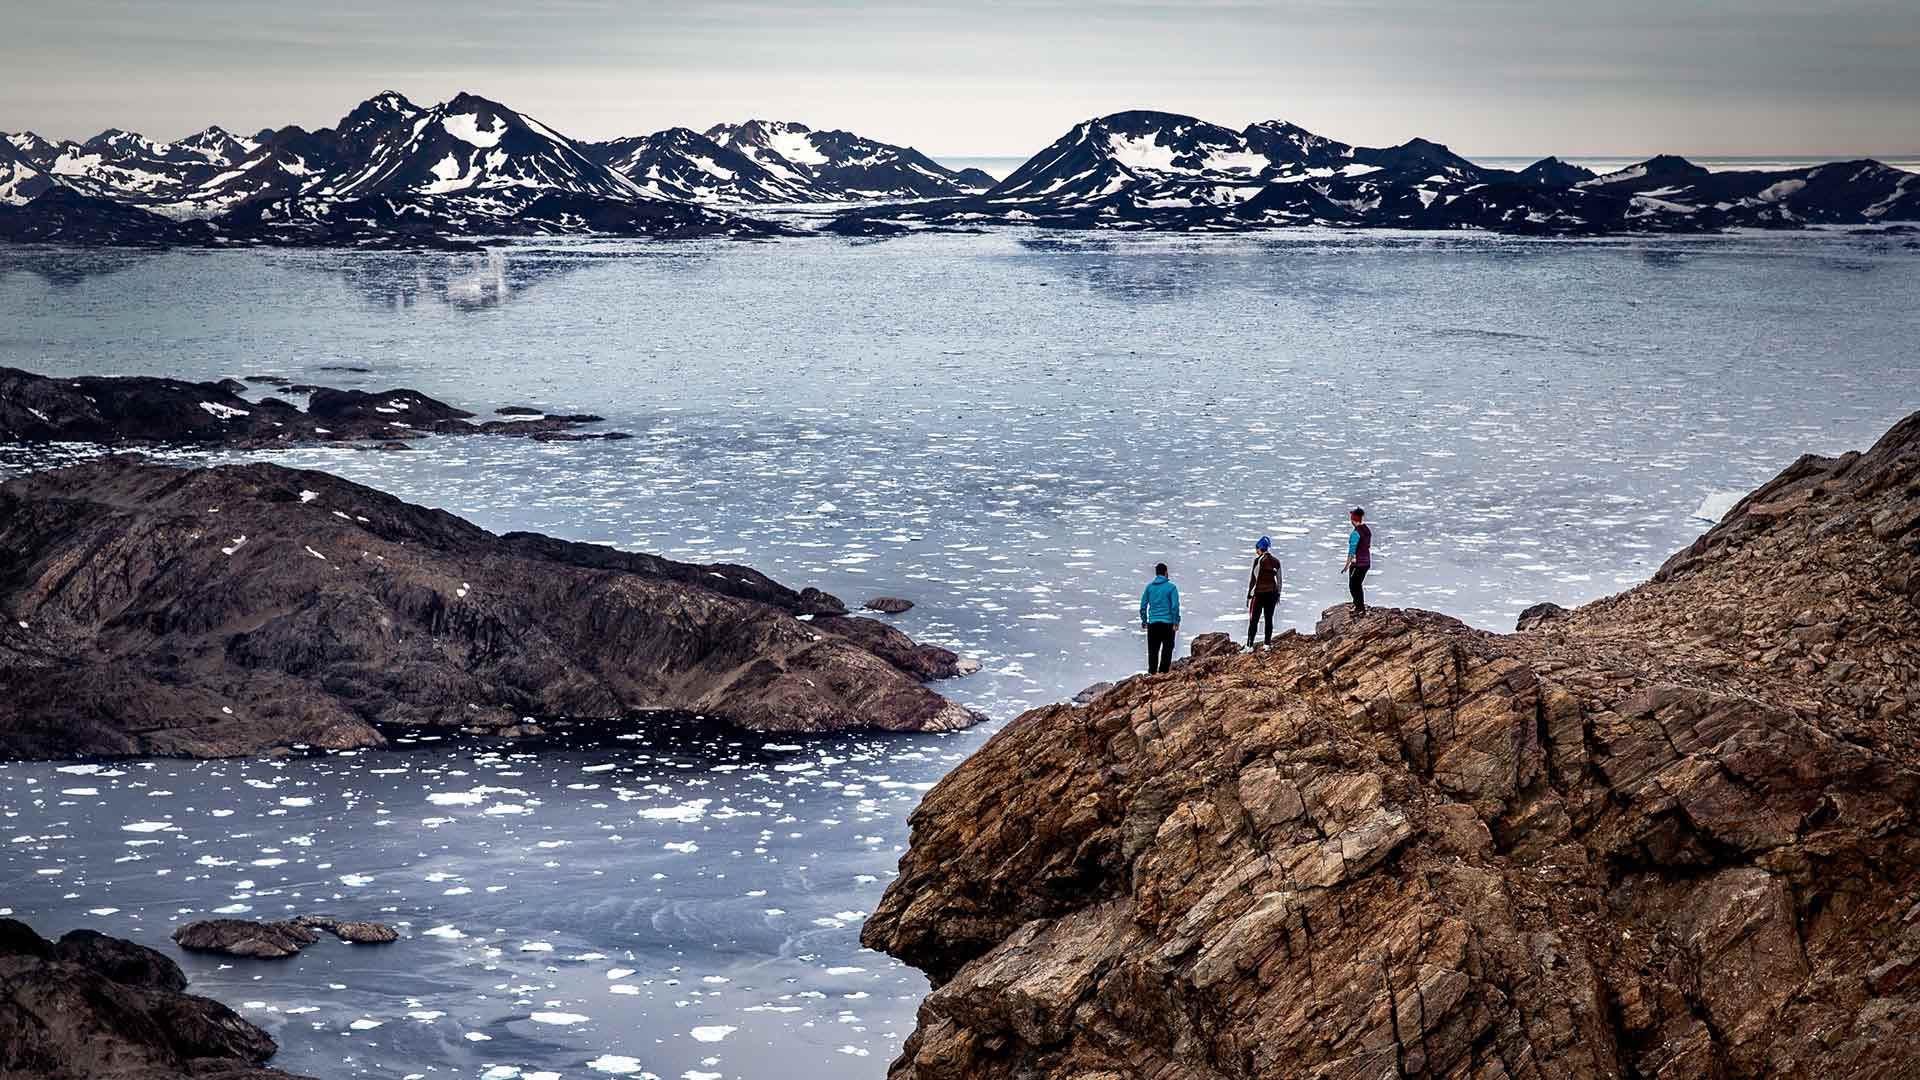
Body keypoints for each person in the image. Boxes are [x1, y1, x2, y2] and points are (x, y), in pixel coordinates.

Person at [1139, 562, 1181, 674]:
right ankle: (1163, 674)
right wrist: (1176, 621)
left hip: (1153, 624)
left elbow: (1143, 605)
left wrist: (1144, 620)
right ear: (1166, 572)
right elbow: (1175, 606)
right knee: (1167, 650)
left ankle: (1152, 674)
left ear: (1156, 573)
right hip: (1167, 623)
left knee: (1153, 651)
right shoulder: (1171, 588)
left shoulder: (1149, 588)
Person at [1246, 536, 1282, 647]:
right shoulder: (1276, 561)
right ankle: (1267, 644)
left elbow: (1254, 579)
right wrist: (1278, 595)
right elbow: (1279, 581)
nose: (1256, 551)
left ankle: (1249, 645)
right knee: (1268, 619)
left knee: (1254, 620)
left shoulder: (1258, 561)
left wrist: (1249, 595)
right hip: (1272, 593)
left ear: (1259, 548)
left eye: (1256, 549)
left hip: (1259, 594)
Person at [1342, 508, 1372, 614]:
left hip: (1357, 564)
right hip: (1366, 562)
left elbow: (1352, 550)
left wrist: (1347, 565)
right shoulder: (1366, 530)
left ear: (1353, 519)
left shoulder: (1356, 533)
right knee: (1358, 585)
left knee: (1353, 586)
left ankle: (1359, 607)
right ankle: (1359, 606)